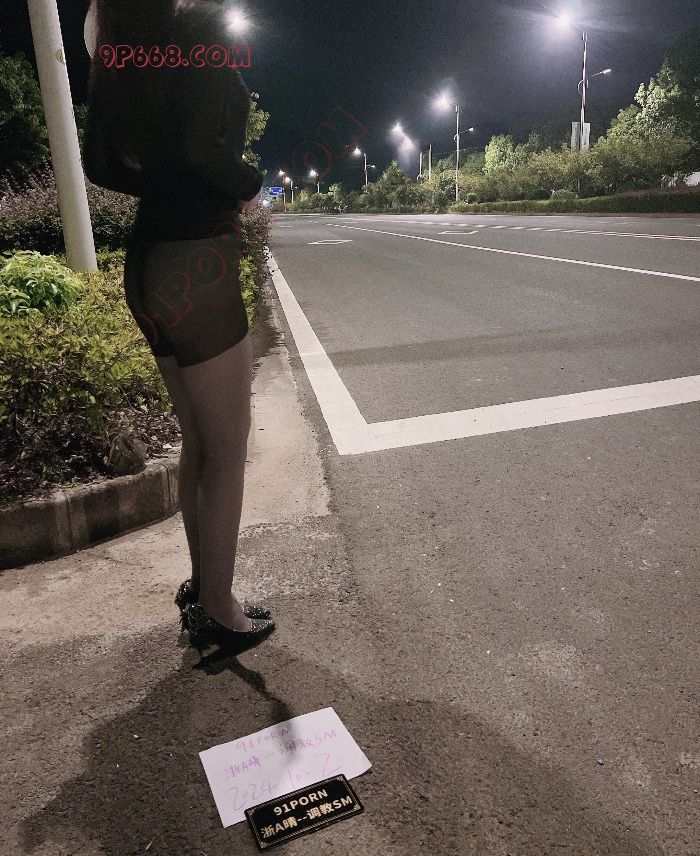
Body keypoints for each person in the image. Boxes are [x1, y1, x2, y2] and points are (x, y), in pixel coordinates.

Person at [82, 0, 275, 655]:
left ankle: (203, 588)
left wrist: (160, 180)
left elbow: (99, 162)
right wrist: (248, 183)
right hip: (195, 263)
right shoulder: (196, 29)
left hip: (149, 262)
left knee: (200, 442)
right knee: (226, 450)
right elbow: (200, 147)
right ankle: (219, 608)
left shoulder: (127, 40)